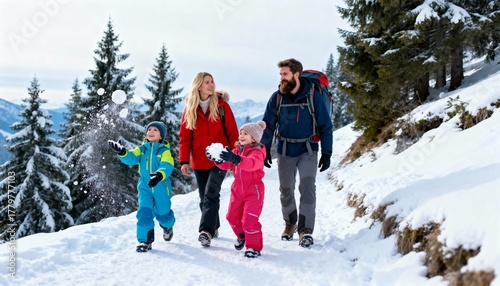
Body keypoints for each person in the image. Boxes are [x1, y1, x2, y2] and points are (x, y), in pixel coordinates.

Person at [261, 58, 333, 248]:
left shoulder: (313, 96)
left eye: (285, 74)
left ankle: (305, 230)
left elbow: (326, 125)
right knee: (286, 190)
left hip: (308, 149)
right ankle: (290, 223)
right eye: (280, 75)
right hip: (285, 150)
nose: (282, 78)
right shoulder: (276, 97)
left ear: (296, 75)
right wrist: (264, 149)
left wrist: (327, 152)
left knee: (307, 187)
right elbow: (268, 125)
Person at [178, 72, 239, 247]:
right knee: (204, 195)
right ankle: (214, 226)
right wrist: (184, 161)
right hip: (199, 160)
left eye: (212, 82)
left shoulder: (222, 106)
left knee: (212, 193)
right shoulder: (189, 109)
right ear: (198, 86)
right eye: (207, 82)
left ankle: (206, 231)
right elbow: (185, 138)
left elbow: (233, 133)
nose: (211, 85)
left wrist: (235, 157)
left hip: (220, 158)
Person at [107, 121, 175, 252]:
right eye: (149, 129)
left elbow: (167, 165)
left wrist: (159, 175)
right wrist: (122, 152)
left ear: (161, 136)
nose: (151, 131)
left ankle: (168, 227)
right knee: (144, 212)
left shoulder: (164, 151)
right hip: (145, 187)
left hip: (161, 186)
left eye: (155, 129)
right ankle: (145, 241)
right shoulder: (142, 149)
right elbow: (131, 158)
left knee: (163, 215)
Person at [207, 120, 267, 258]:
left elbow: (251, 164)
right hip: (238, 188)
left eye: (246, 133)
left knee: (249, 220)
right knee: (232, 217)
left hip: (254, 189)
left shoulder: (258, 152)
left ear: (254, 138)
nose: (241, 136)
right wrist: (218, 160)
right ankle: (242, 236)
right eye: (241, 133)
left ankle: (253, 247)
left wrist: (236, 159)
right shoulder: (237, 150)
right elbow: (228, 165)